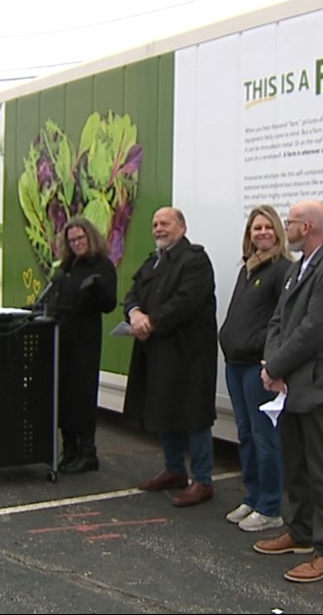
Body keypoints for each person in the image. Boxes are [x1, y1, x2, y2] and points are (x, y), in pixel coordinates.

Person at [254, 199, 323, 583]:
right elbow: (279, 320)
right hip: (291, 385)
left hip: (317, 387)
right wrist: (272, 365)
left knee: (322, 469)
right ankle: (300, 532)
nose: (287, 227)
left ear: (308, 227)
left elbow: (315, 331)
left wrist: (276, 367)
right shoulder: (300, 267)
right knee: (295, 463)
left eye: (291, 222)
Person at [122, 207, 219, 507]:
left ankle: (202, 480)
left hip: (189, 353)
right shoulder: (152, 261)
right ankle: (174, 469)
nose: (158, 229)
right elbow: (132, 294)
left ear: (182, 227)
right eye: (155, 224)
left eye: (165, 223)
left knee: (194, 414)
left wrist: (150, 323)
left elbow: (186, 301)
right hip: (158, 351)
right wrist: (134, 314)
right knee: (163, 407)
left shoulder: (195, 260)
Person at [218, 205, 293, 532]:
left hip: (257, 367)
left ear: (278, 231)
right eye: (256, 228)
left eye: (267, 227)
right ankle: (252, 496)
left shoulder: (283, 269)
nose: (262, 232)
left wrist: (266, 355)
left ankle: (270, 507)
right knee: (246, 434)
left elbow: (283, 321)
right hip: (235, 365)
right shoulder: (247, 269)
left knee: (265, 438)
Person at [43, 217, 117, 474]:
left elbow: (109, 304)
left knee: (81, 394)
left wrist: (96, 289)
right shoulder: (67, 266)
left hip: (84, 339)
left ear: (90, 237)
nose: (76, 244)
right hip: (62, 337)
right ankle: (69, 449)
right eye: (71, 240)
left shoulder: (102, 266)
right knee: (63, 393)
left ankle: (87, 453)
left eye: (80, 238)